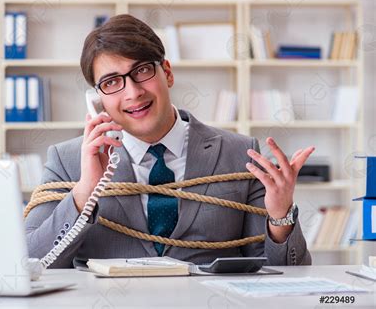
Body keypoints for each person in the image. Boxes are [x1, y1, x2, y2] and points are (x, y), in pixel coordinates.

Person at [25, 14, 314, 268]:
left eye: (141, 71)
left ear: (168, 73)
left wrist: (281, 217)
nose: (133, 92)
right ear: (97, 100)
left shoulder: (239, 154)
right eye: (112, 82)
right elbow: (31, 265)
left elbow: (281, 273)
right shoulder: (67, 161)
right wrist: (85, 192)